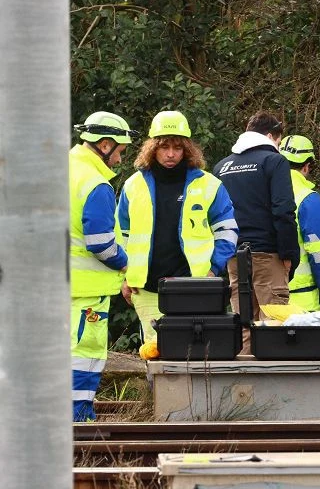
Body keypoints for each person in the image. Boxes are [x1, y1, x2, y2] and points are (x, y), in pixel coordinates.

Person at [118, 111, 238, 343]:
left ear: (187, 149)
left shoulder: (209, 185)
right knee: (155, 355)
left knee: (197, 353)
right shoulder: (133, 185)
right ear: (152, 148)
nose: (171, 154)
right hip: (147, 288)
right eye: (164, 147)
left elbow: (228, 231)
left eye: (177, 147)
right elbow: (121, 235)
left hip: (195, 286)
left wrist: (214, 268)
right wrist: (124, 276)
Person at [70, 111, 137, 421]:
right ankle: (78, 416)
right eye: (120, 152)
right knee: (85, 354)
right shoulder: (96, 183)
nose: (120, 160)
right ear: (106, 145)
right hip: (86, 292)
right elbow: (100, 244)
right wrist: (128, 264)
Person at [213, 112, 299, 353]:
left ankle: (243, 388)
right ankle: (272, 389)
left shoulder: (222, 167)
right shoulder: (275, 161)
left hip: (234, 256)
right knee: (273, 325)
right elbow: (283, 211)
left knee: (243, 327)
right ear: (271, 136)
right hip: (268, 254)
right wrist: (289, 253)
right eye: (279, 141)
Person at [278, 135, 320, 311]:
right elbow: (319, 247)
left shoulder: (263, 193)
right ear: (306, 166)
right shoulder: (307, 197)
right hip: (302, 297)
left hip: (268, 293)